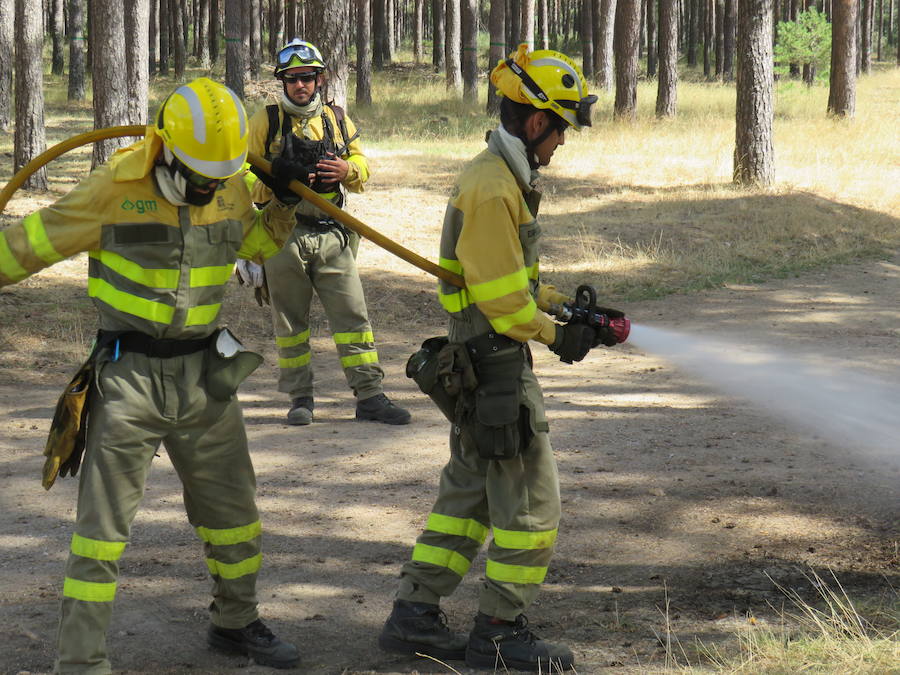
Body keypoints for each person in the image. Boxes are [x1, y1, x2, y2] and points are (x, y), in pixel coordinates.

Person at [0, 78, 303, 673]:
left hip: (206, 378)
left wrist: (283, 200)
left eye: (219, 178)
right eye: (199, 177)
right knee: (101, 534)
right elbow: (23, 248)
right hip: (128, 378)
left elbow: (260, 244)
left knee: (235, 514)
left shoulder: (230, 186)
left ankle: (236, 622)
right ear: (163, 147)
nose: (209, 189)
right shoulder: (112, 190)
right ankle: (81, 662)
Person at [378, 46, 627, 672]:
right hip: (496, 368)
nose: (564, 143)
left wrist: (565, 307)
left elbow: (506, 281)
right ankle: (499, 630)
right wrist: (554, 333)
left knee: (469, 496)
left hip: (481, 360)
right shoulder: (492, 189)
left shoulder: (500, 177)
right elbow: (503, 307)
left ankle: (414, 613)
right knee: (530, 508)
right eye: (564, 127)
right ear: (538, 121)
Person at [238, 39, 410, 427]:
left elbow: (363, 165)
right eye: (293, 79)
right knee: (289, 321)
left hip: (333, 234)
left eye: (308, 78)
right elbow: (241, 175)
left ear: (320, 79)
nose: (301, 86)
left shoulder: (336, 120)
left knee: (353, 315)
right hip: (283, 234)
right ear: (282, 82)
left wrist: (346, 172)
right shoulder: (265, 122)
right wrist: (274, 182)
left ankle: (369, 397)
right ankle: (300, 399)